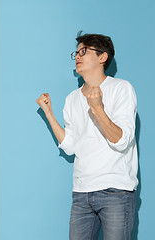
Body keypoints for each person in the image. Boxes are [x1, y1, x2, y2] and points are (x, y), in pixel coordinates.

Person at [36, 33, 138, 240]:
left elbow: (122, 141)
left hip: (116, 192)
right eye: (76, 52)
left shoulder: (121, 89)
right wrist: (49, 114)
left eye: (84, 51)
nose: (77, 56)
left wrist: (98, 108)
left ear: (102, 57)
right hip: (82, 193)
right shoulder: (72, 98)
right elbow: (70, 146)